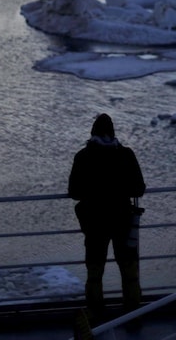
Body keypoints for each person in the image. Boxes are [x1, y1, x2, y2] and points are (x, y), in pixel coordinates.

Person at [67, 113, 146, 324]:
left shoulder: (83, 157)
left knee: (94, 270)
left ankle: (95, 314)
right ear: (113, 133)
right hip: (123, 220)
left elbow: (74, 191)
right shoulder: (126, 155)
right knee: (129, 269)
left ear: (92, 133)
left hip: (94, 223)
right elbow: (139, 188)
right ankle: (132, 312)